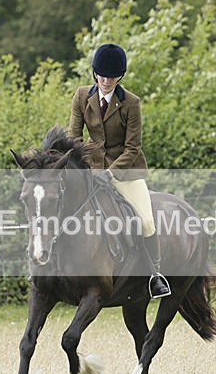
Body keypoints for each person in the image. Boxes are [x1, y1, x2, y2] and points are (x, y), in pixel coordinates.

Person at [68, 43, 171, 298]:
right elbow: (74, 137)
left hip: (126, 172)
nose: (106, 80)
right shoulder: (82, 96)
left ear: (120, 76)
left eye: (112, 76)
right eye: (102, 75)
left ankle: (155, 275)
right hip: (92, 171)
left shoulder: (131, 103)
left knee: (146, 221)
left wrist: (111, 173)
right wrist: (87, 169)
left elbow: (133, 147)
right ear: (95, 73)